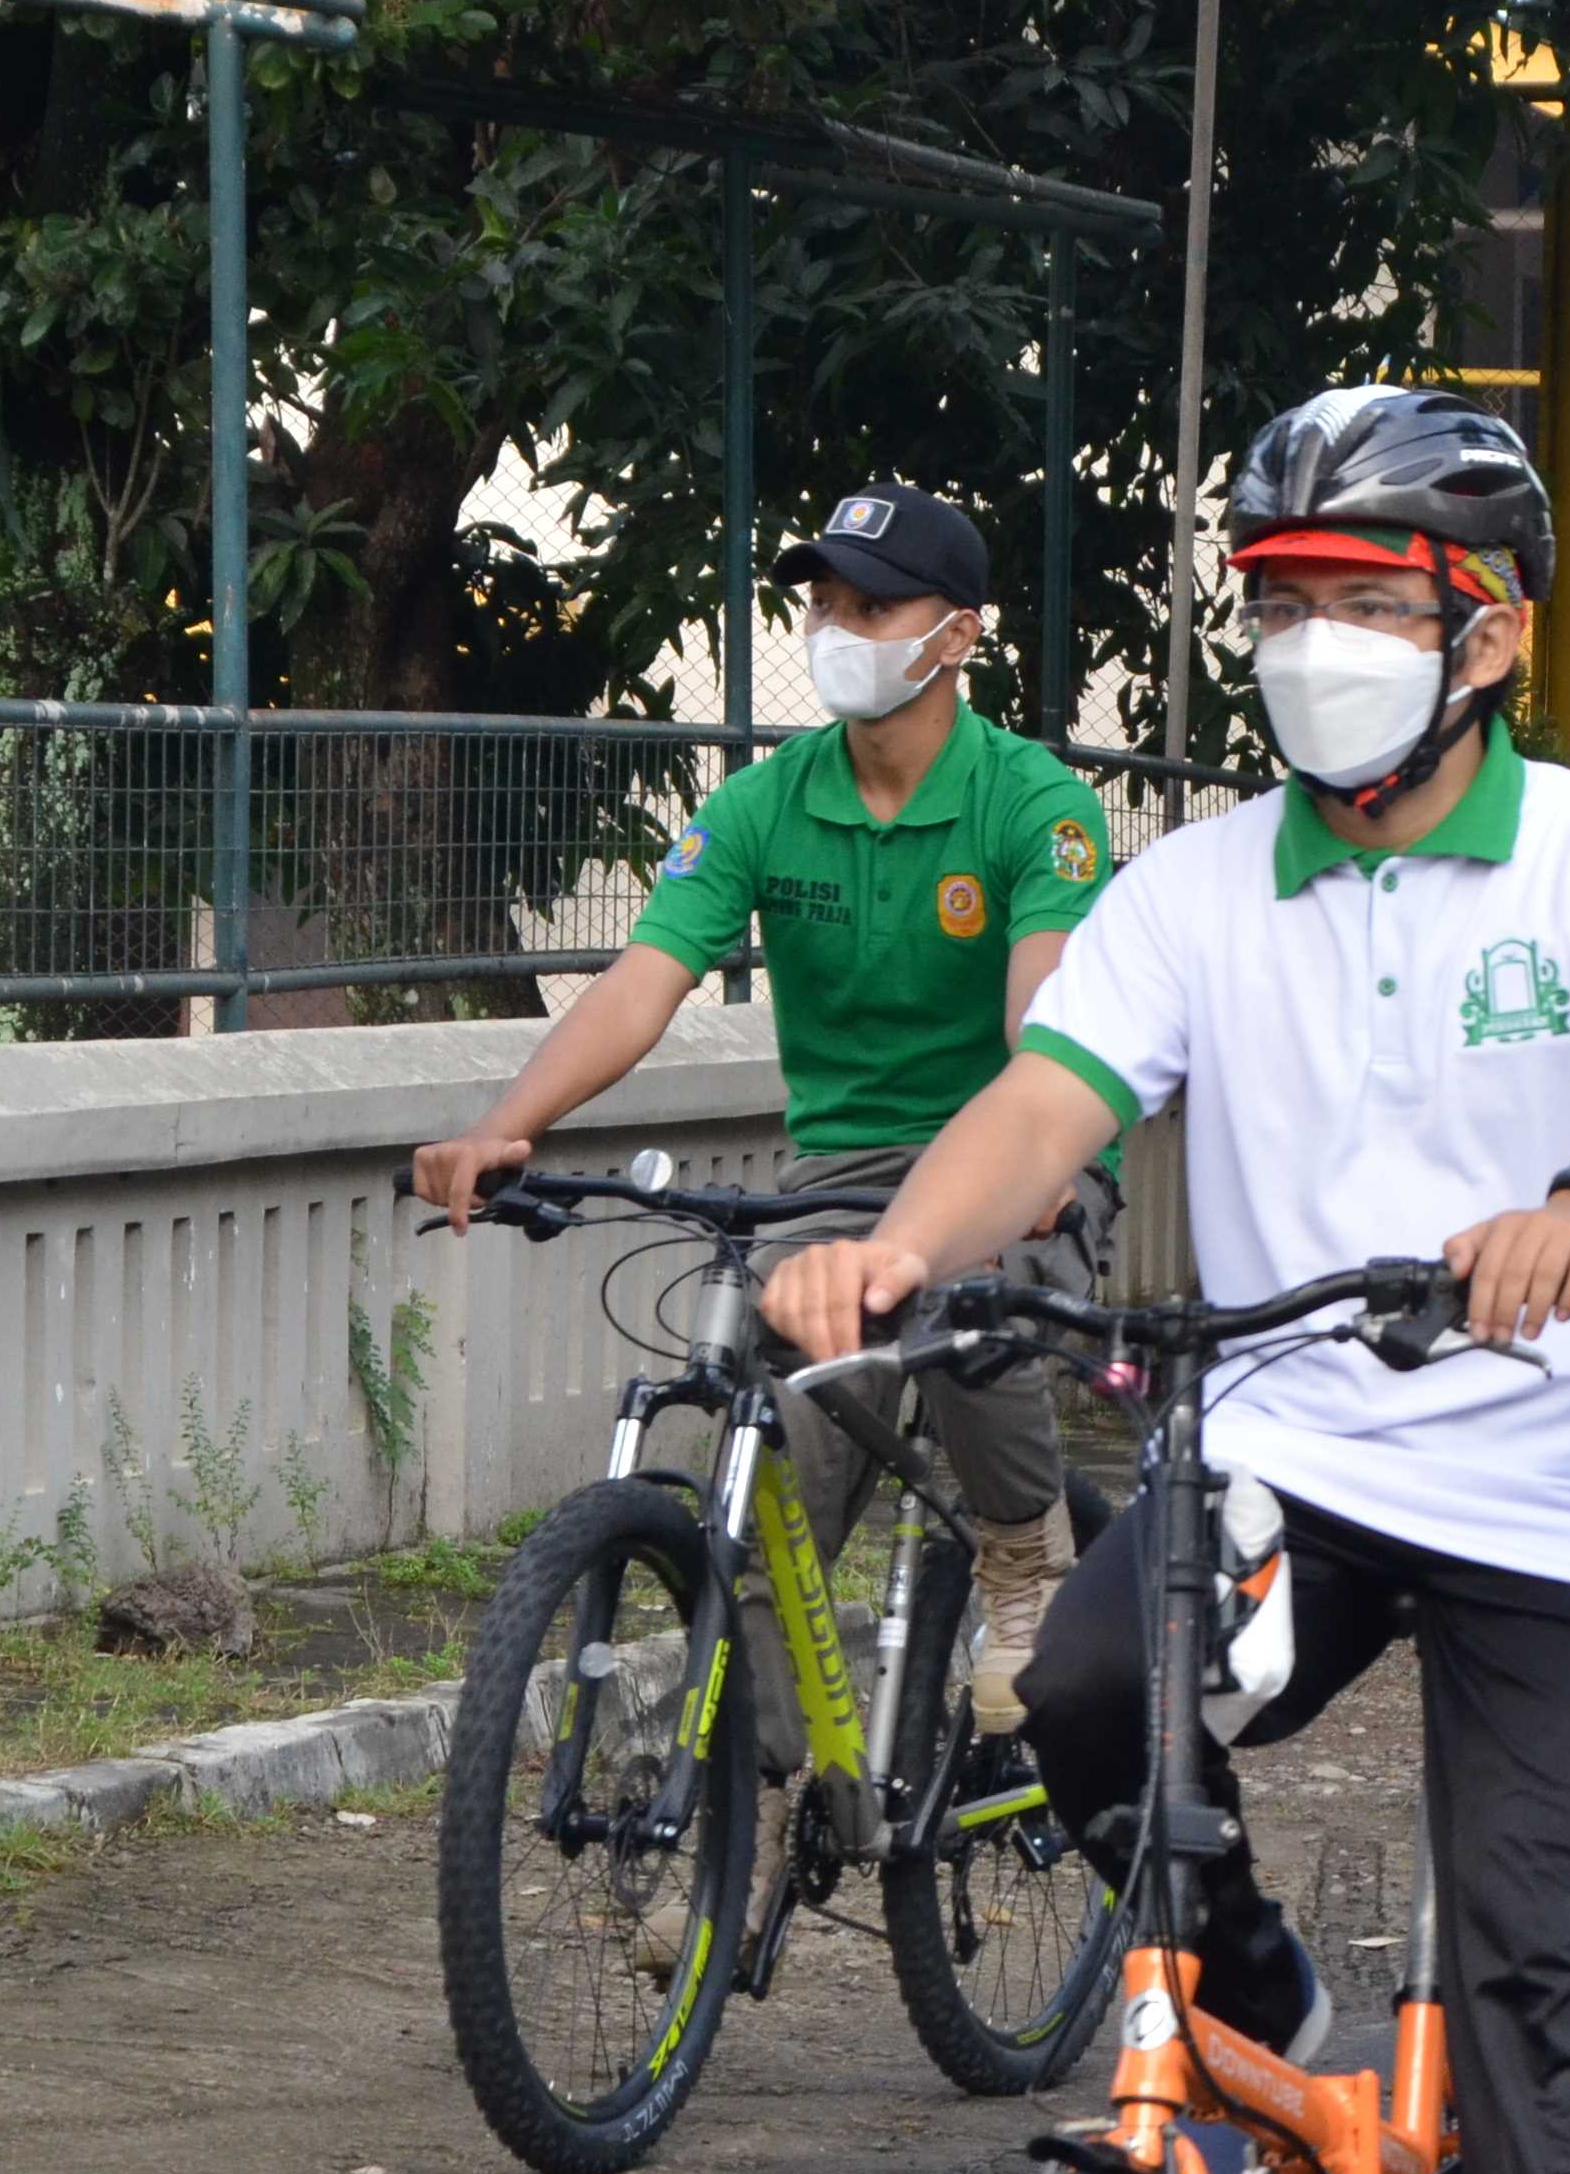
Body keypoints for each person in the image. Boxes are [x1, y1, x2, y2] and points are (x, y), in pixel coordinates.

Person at [760, 385, 1570, 2174]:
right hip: (1305, 1451)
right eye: (1282, 603)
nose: (1315, 645)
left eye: (1364, 603)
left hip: (1568, 1501)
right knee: (1088, 1693)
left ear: (1482, 635)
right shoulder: (1203, 886)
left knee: (1526, 1945)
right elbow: (1050, 1092)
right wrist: (906, 1250)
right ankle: (1259, 1988)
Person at [412, 483, 1112, 1732]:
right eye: (823, 600)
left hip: (1006, 1150)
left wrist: (1030, 1163)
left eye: (874, 603)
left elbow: (1041, 1027)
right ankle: (763, 1799)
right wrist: (503, 1124)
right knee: (758, 1431)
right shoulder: (762, 802)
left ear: (956, 634)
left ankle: (1022, 1560)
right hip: (836, 1174)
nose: (838, 626)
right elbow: (640, 984)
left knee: (965, 1295)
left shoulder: (1035, 804)